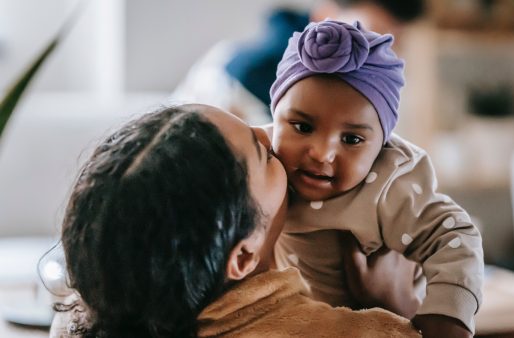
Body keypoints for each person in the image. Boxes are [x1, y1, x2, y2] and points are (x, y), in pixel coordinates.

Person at [49, 104, 421, 337]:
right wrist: (399, 307)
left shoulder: (74, 322)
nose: (271, 136)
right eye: (264, 155)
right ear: (242, 257)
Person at [268, 20, 484, 338]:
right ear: (275, 116)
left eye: (352, 139)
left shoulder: (387, 182)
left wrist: (445, 318)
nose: (322, 153)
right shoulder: (259, 157)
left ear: (381, 145)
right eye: (302, 127)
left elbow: (455, 237)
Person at [171, 0, 425, 125]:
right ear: (325, 15)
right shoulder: (238, 75)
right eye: (371, 35)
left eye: (395, 43)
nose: (383, 53)